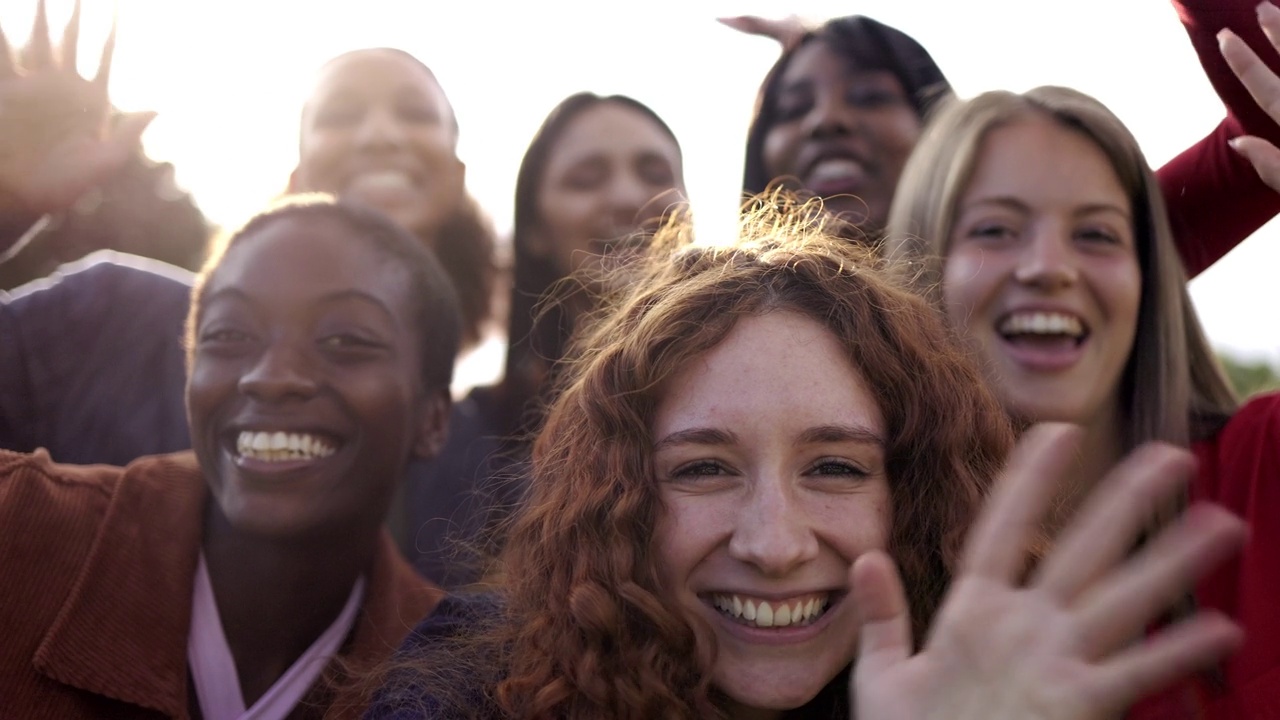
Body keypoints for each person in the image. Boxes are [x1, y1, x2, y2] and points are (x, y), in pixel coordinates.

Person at [363, 200, 1244, 719]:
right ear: (614, 495)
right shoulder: (473, 690)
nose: (775, 544)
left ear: (921, 497)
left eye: (837, 468)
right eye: (703, 468)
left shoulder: (1000, 698)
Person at [883, 75, 1280, 718]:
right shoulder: (853, 537)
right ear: (921, 268)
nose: (1049, 266)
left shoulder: (1265, 468)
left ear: (1148, 283)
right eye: (995, 230)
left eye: (1096, 235)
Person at [0, 195, 459, 718]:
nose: (270, 376)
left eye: (345, 339)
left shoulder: (466, 675)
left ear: (433, 418)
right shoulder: (19, 526)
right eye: (230, 334)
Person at [0, 8, 496, 469]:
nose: (380, 135)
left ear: (456, 177)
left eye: (414, 113)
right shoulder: (110, 320)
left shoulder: (488, 463)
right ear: (298, 181)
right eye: (340, 115)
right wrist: (8, 199)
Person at [738, 2, 1280, 279]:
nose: (824, 121)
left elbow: (1267, 131)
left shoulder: (1053, 277)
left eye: (869, 96)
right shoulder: (707, 333)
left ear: (949, 136)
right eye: (792, 107)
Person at [401, 91, 686, 584]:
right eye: (585, 180)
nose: (626, 197)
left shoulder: (759, 398)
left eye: (656, 175)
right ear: (533, 227)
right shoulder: (470, 439)